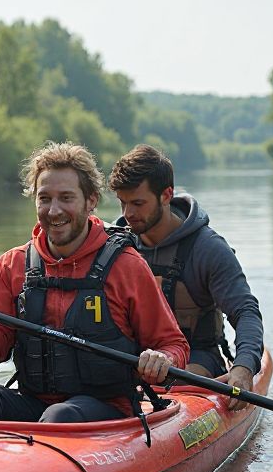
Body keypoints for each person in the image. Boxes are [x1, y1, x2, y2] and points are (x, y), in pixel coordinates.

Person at [0, 141, 189, 423]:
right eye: (45, 198)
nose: (54, 210)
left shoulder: (127, 266)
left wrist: (162, 360)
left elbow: (174, 345)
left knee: (60, 414)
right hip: (34, 404)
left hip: (105, 412)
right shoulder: (12, 265)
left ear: (91, 201)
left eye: (66, 198)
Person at [108, 144, 264, 406]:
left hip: (196, 361)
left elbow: (245, 311)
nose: (128, 214)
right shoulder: (113, 247)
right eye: (123, 203)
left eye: (138, 203)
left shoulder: (209, 249)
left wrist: (244, 367)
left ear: (166, 195)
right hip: (132, 362)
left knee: (175, 379)